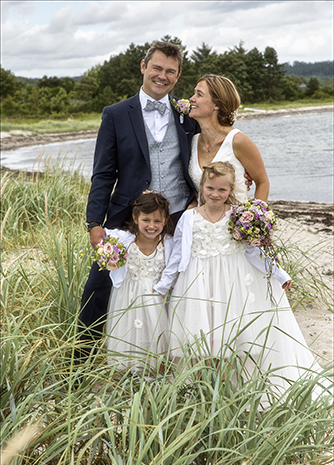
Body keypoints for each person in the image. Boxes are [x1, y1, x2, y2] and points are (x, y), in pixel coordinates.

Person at [75, 40, 200, 363]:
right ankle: (79, 365)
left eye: (170, 71)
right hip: (124, 217)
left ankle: (173, 363)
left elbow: (208, 156)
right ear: (143, 67)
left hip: (175, 217)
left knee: (177, 287)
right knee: (98, 287)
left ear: (178, 75)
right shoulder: (116, 114)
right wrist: (94, 223)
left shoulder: (187, 117)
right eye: (157, 68)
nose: (162, 76)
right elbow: (103, 173)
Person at [154, 162, 326, 393]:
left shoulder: (238, 216)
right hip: (198, 285)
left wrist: (279, 274)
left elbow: (254, 251)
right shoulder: (189, 217)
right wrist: (164, 285)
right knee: (201, 336)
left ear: (231, 191)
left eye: (222, 190)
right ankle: (204, 388)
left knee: (232, 336)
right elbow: (177, 257)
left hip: (233, 283)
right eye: (210, 188)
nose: (215, 194)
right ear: (201, 187)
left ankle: (229, 387)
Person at [105, 191, 174, 372]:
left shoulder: (168, 243)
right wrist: (107, 259)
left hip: (157, 297)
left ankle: (156, 373)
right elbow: (102, 245)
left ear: (166, 220)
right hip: (128, 296)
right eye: (146, 220)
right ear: (135, 218)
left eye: (157, 221)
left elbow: (176, 268)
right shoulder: (124, 240)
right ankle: (129, 373)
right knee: (129, 334)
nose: (152, 225)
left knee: (156, 334)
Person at [188, 74, 269, 204]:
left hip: (235, 221)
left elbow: (262, 182)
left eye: (199, 94)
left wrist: (254, 219)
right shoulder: (193, 142)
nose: (191, 99)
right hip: (201, 222)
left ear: (216, 105)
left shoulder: (237, 141)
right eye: (194, 93)